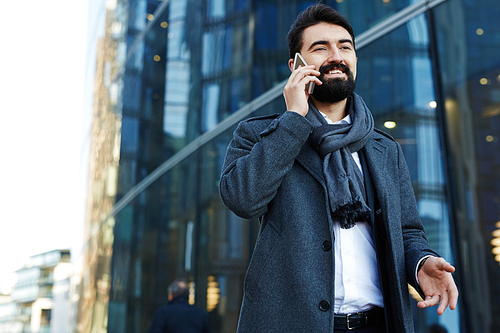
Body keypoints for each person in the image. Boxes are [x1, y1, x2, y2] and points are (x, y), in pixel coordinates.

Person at [218, 4, 458, 332]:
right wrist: (292, 121)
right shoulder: (261, 135)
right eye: (320, 48)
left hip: (377, 324)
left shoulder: (384, 149)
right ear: (296, 66)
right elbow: (243, 199)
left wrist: (421, 262)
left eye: (345, 47)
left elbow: (407, 231)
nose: (336, 55)